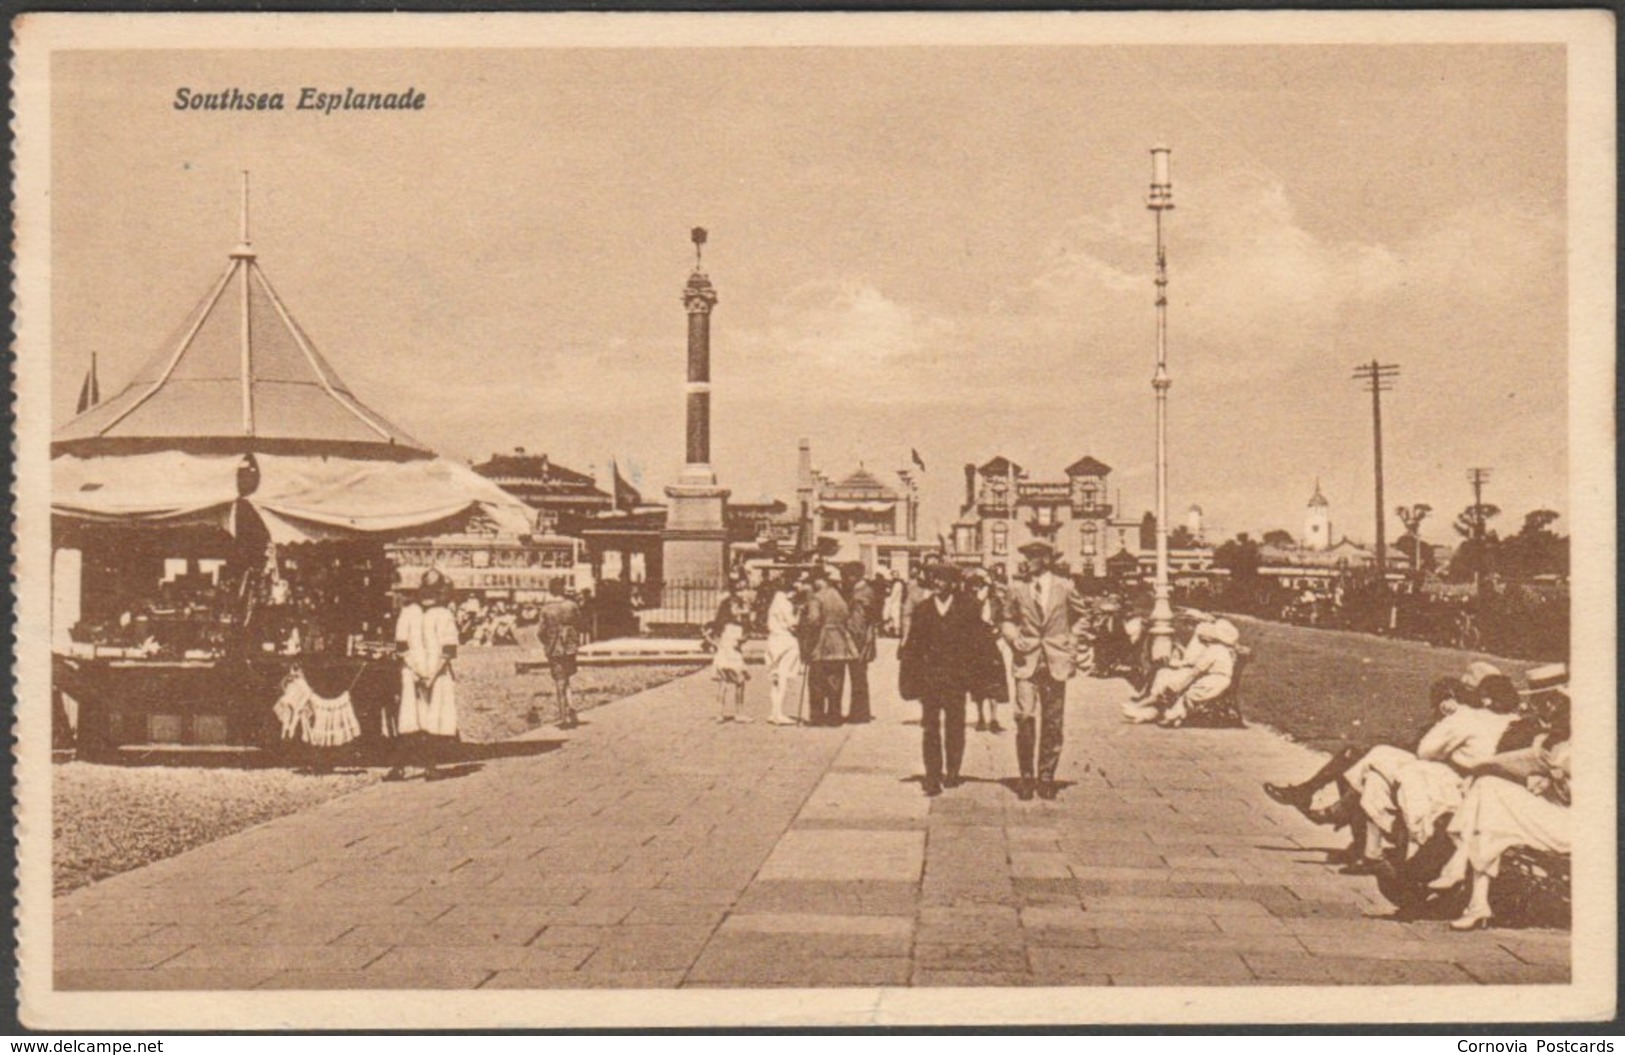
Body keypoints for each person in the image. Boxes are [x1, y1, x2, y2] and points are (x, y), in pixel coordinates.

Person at [999, 540, 1086, 800]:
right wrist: (1014, 639)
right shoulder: (1017, 588)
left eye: (1034, 556)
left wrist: (1071, 644)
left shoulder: (1065, 587)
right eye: (1027, 556)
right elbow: (1006, 619)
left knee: (1052, 721)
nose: (1028, 561)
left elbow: (1081, 616)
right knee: (1024, 716)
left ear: (1047, 559)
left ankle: (1046, 776)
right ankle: (1026, 777)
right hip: (1027, 659)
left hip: (1056, 660)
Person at [898, 563, 982, 796]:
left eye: (942, 579)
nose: (937, 583)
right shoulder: (923, 609)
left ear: (953, 583)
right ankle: (932, 775)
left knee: (956, 726)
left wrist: (973, 679)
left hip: (957, 679)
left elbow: (976, 645)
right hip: (930, 678)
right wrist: (912, 678)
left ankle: (953, 771)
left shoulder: (969, 607)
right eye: (935, 578)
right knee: (930, 727)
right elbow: (914, 646)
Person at [386, 569, 460, 781]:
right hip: (435, 674)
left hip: (412, 672)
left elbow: (402, 647)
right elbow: (449, 651)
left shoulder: (408, 612)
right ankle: (430, 766)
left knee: (411, 718)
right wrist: (431, 675)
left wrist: (417, 671)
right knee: (432, 718)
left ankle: (399, 767)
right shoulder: (444, 615)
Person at [1121, 616, 1240, 726]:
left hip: (1210, 680)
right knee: (1168, 678)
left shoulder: (1213, 650)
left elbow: (1196, 671)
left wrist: (1180, 685)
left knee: (1173, 684)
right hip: (1213, 678)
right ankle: (1148, 710)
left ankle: (1150, 710)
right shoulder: (1223, 649)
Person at [802, 565, 856, 726]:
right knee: (836, 680)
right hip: (840, 641)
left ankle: (817, 717)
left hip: (822, 642)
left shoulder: (817, 598)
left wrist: (804, 622)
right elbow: (847, 616)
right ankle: (834, 715)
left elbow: (814, 620)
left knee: (817, 680)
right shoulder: (839, 597)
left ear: (818, 581)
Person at [537, 579, 583, 729]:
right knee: (567, 677)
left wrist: (547, 642)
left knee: (559, 680)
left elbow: (541, 632)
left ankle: (564, 716)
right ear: (563, 589)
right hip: (569, 646)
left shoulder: (546, 609)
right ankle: (571, 709)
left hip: (554, 647)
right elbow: (580, 623)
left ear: (550, 590)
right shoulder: (571, 606)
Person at [707, 585, 753, 723]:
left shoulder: (739, 624)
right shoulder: (725, 625)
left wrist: (742, 640)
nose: (738, 610)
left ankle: (730, 713)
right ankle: (724, 712)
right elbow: (708, 635)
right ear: (729, 609)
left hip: (733, 654)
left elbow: (744, 638)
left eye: (739, 607)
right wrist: (717, 645)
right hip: (727, 654)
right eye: (735, 607)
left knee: (734, 683)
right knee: (729, 683)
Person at [763, 574, 803, 726]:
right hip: (786, 640)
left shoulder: (775, 602)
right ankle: (778, 713)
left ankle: (774, 712)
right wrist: (799, 612)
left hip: (773, 640)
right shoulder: (786, 604)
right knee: (783, 677)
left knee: (775, 678)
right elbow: (793, 624)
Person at [843, 563, 878, 724]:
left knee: (858, 675)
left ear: (853, 576)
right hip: (862, 636)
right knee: (859, 675)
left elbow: (864, 620)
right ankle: (859, 711)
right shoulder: (864, 591)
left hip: (859, 638)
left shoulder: (861, 593)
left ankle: (860, 713)